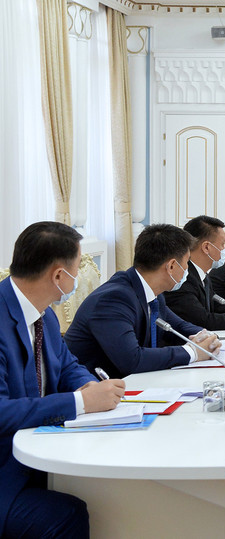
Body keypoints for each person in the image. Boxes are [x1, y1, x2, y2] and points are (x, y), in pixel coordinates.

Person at [1, 223, 126, 538]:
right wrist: (80, 402)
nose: (77, 277)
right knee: (69, 514)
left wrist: (88, 386)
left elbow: (68, 364)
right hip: (7, 468)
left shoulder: (43, 313)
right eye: (77, 268)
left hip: (39, 448)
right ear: (58, 276)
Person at [65, 224, 220, 378]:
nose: (187, 269)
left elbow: (177, 327)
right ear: (172, 266)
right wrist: (192, 352)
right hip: (98, 387)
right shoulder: (114, 299)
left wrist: (207, 338)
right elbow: (132, 360)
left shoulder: (152, 292)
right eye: (186, 262)